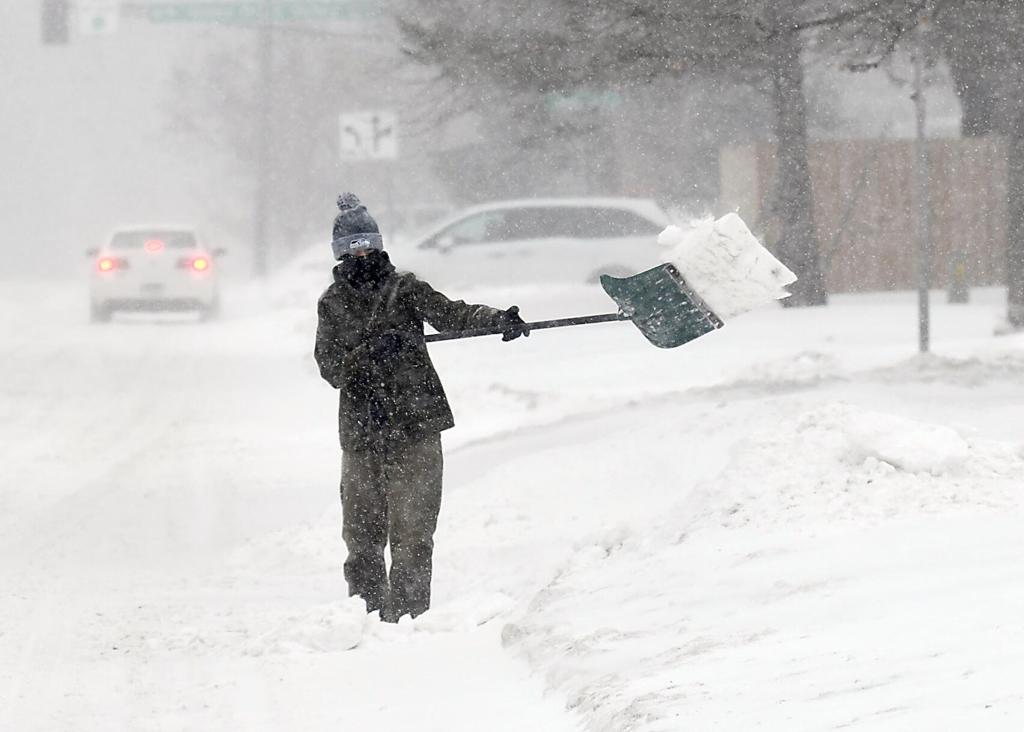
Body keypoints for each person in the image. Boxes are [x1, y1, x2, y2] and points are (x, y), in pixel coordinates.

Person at [314, 193, 530, 623]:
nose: (362, 253)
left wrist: (497, 319)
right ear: (340, 252)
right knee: (361, 539)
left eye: (367, 244)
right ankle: (367, 619)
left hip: (415, 427)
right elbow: (331, 366)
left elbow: (452, 315)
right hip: (360, 435)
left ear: (378, 244)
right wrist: (370, 352)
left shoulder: (405, 288)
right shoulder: (332, 303)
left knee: (413, 535)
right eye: (352, 246)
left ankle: (410, 622)